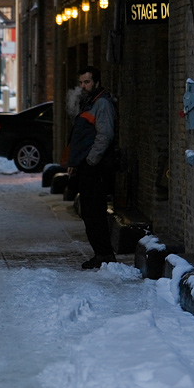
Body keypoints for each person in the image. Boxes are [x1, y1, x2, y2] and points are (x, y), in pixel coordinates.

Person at [67, 66, 117, 269]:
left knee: (94, 211)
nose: (83, 86)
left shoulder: (102, 104)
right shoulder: (90, 103)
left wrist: (90, 160)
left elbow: (105, 135)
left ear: (96, 82)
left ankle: (104, 255)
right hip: (87, 166)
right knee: (89, 211)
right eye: (81, 83)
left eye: (87, 82)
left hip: (95, 167)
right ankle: (101, 254)